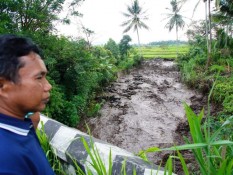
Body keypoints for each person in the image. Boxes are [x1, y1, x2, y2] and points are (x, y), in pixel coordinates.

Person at [0, 34, 54, 175]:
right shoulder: (6, 160)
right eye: (39, 78)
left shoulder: (20, 125)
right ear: (2, 85)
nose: (48, 86)